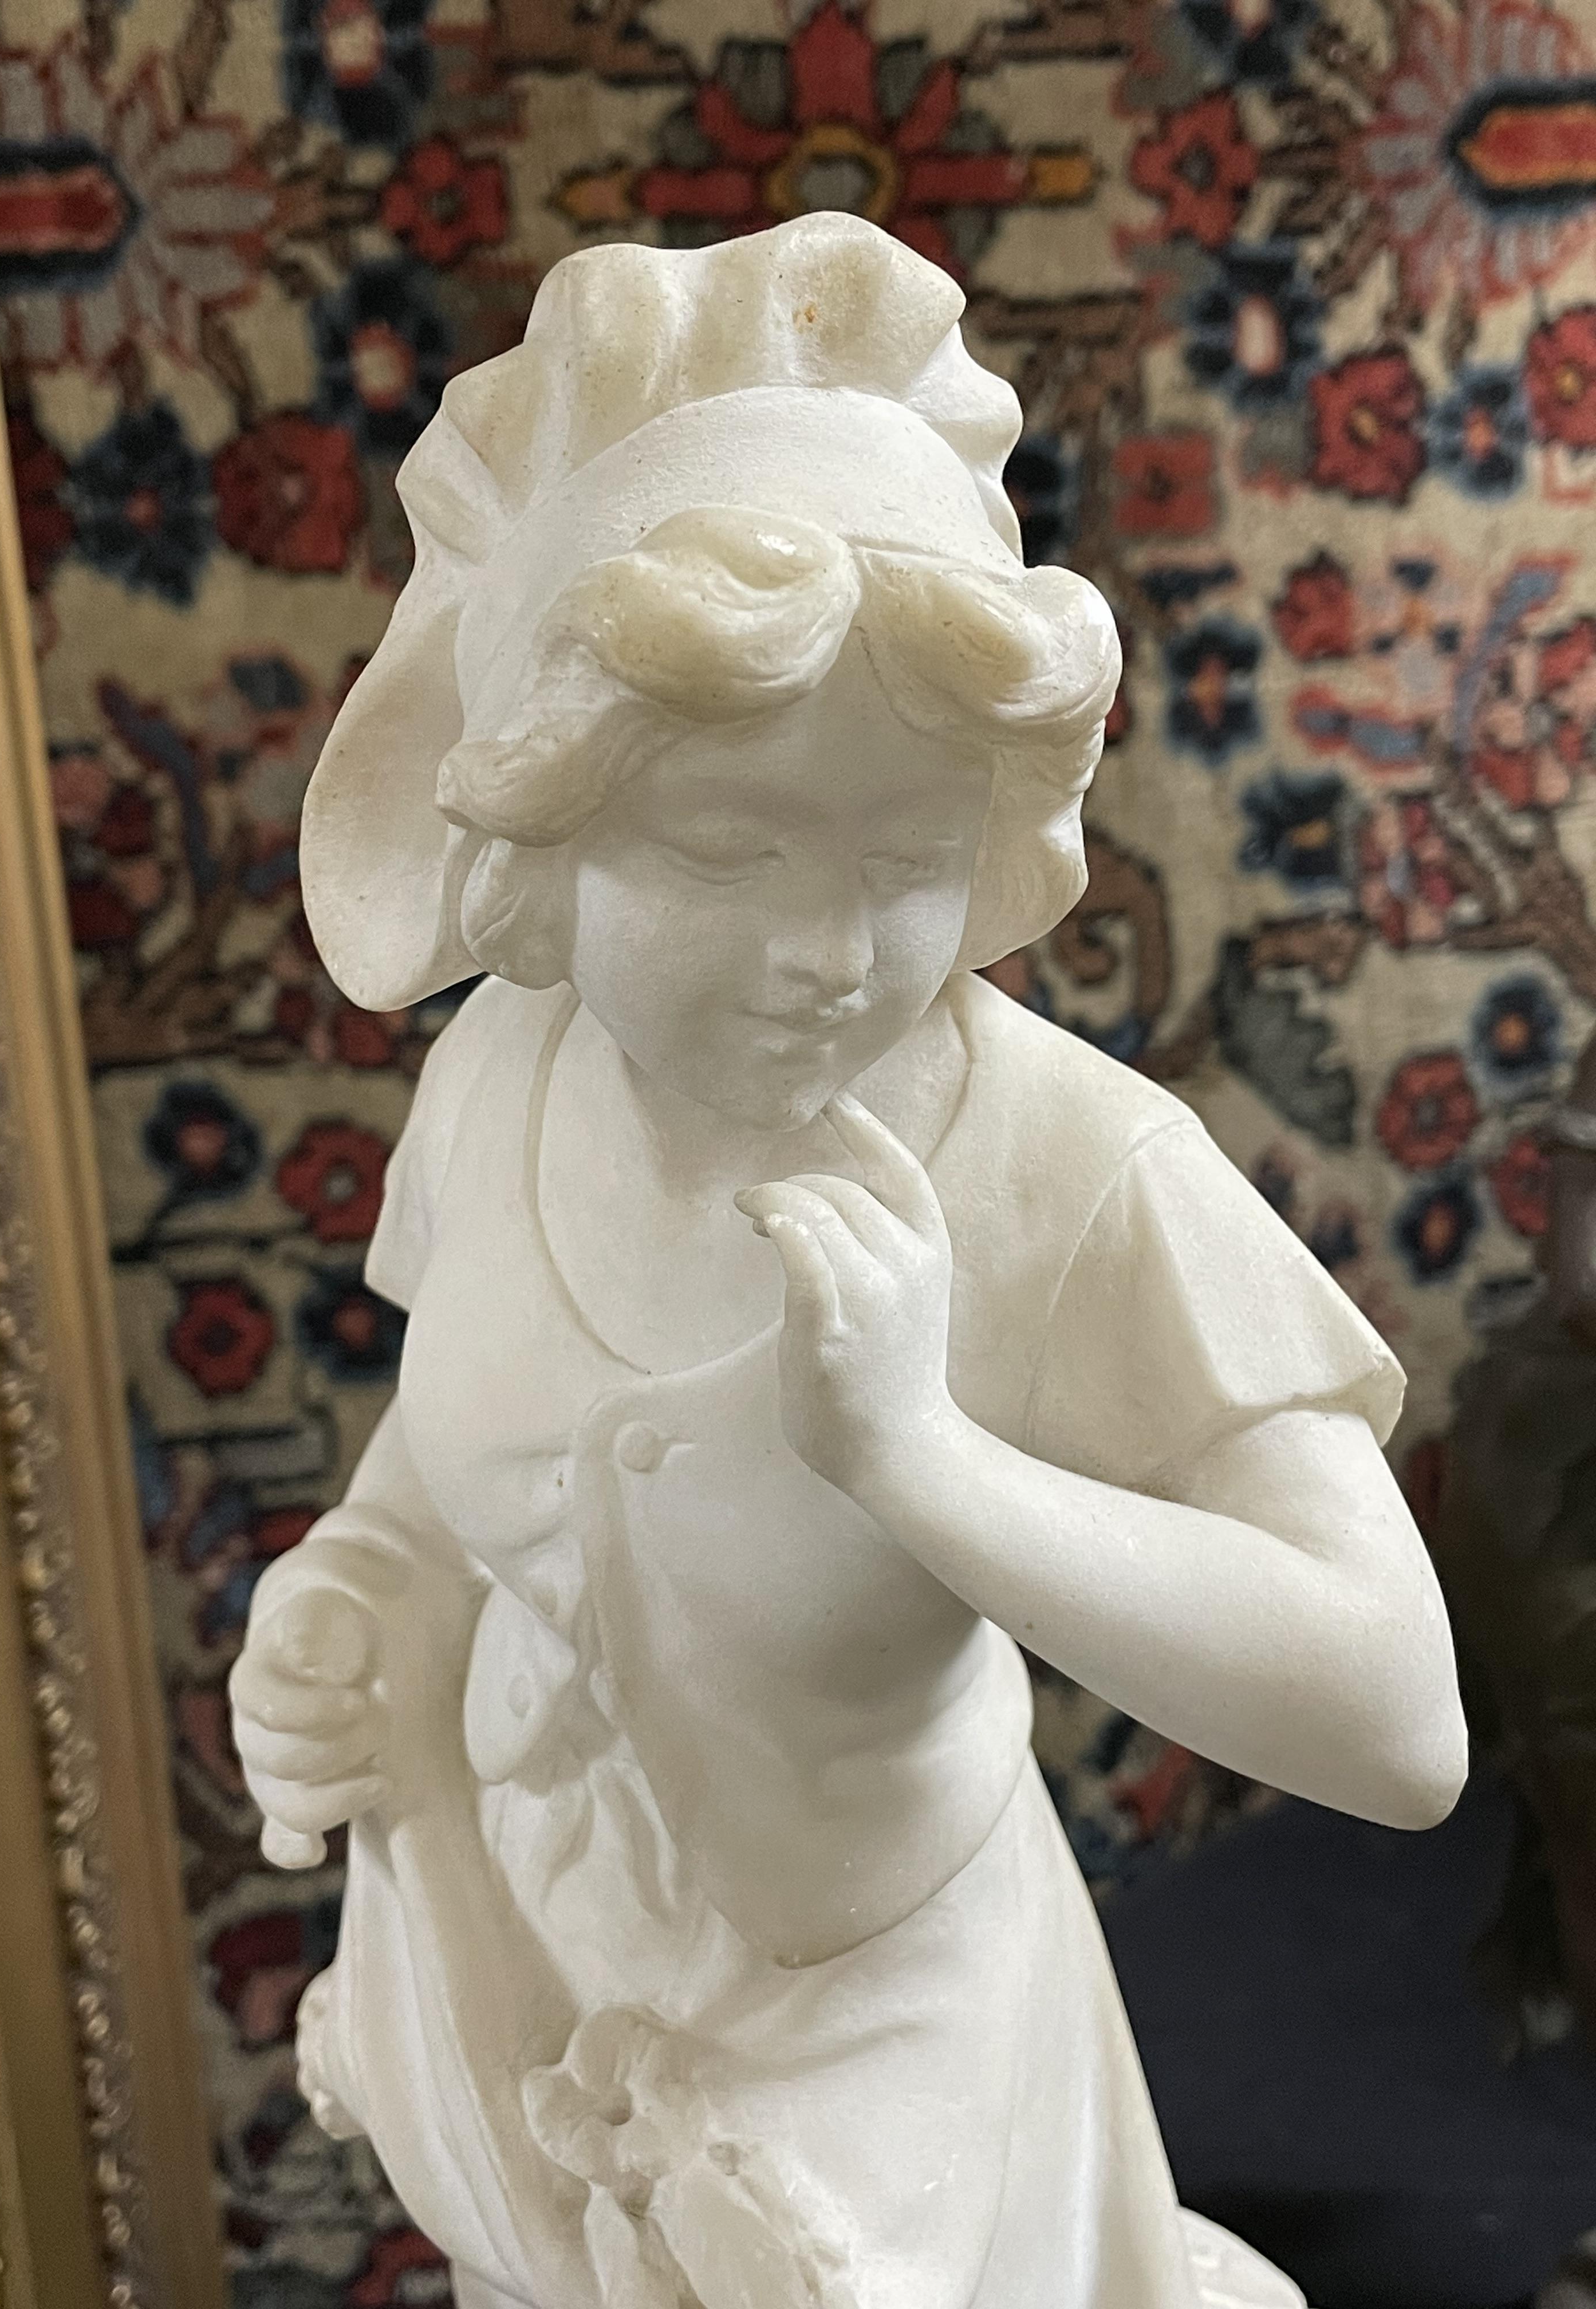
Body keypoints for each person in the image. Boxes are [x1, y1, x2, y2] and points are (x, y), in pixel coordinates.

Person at [227, 214, 1466, 2309]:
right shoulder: (506, 1077)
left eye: (905, 863)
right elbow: (450, 1466)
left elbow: (1395, 1715)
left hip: (888, 2090)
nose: (828, 953)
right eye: (725, 851)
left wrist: (924, 1460)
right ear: (546, 845)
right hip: (535, 1975)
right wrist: (356, 1596)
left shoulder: (1066, 1171)